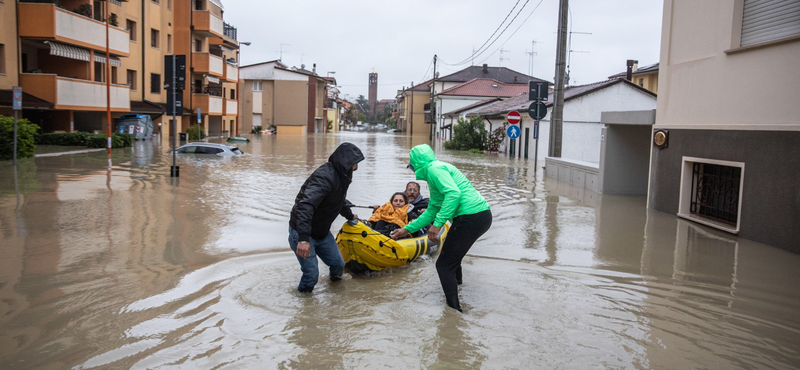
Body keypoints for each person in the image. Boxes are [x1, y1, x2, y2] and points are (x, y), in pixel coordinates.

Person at [391, 144, 492, 312]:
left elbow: (454, 194)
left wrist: (437, 225)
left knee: (443, 265)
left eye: (412, 166)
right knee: (453, 258)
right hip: (479, 215)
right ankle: (457, 288)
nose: (413, 170)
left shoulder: (434, 170)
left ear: (417, 163)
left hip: (471, 217)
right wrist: (406, 229)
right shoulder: (436, 171)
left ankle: (454, 312)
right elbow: (432, 209)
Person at [288, 142, 365, 293]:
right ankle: (304, 305)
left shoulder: (343, 176)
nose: (357, 166)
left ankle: (335, 292)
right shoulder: (325, 177)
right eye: (356, 162)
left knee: (338, 265)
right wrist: (303, 239)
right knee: (311, 275)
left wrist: (350, 216)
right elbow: (305, 206)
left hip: (322, 233)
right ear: (346, 162)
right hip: (303, 233)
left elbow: (339, 200)